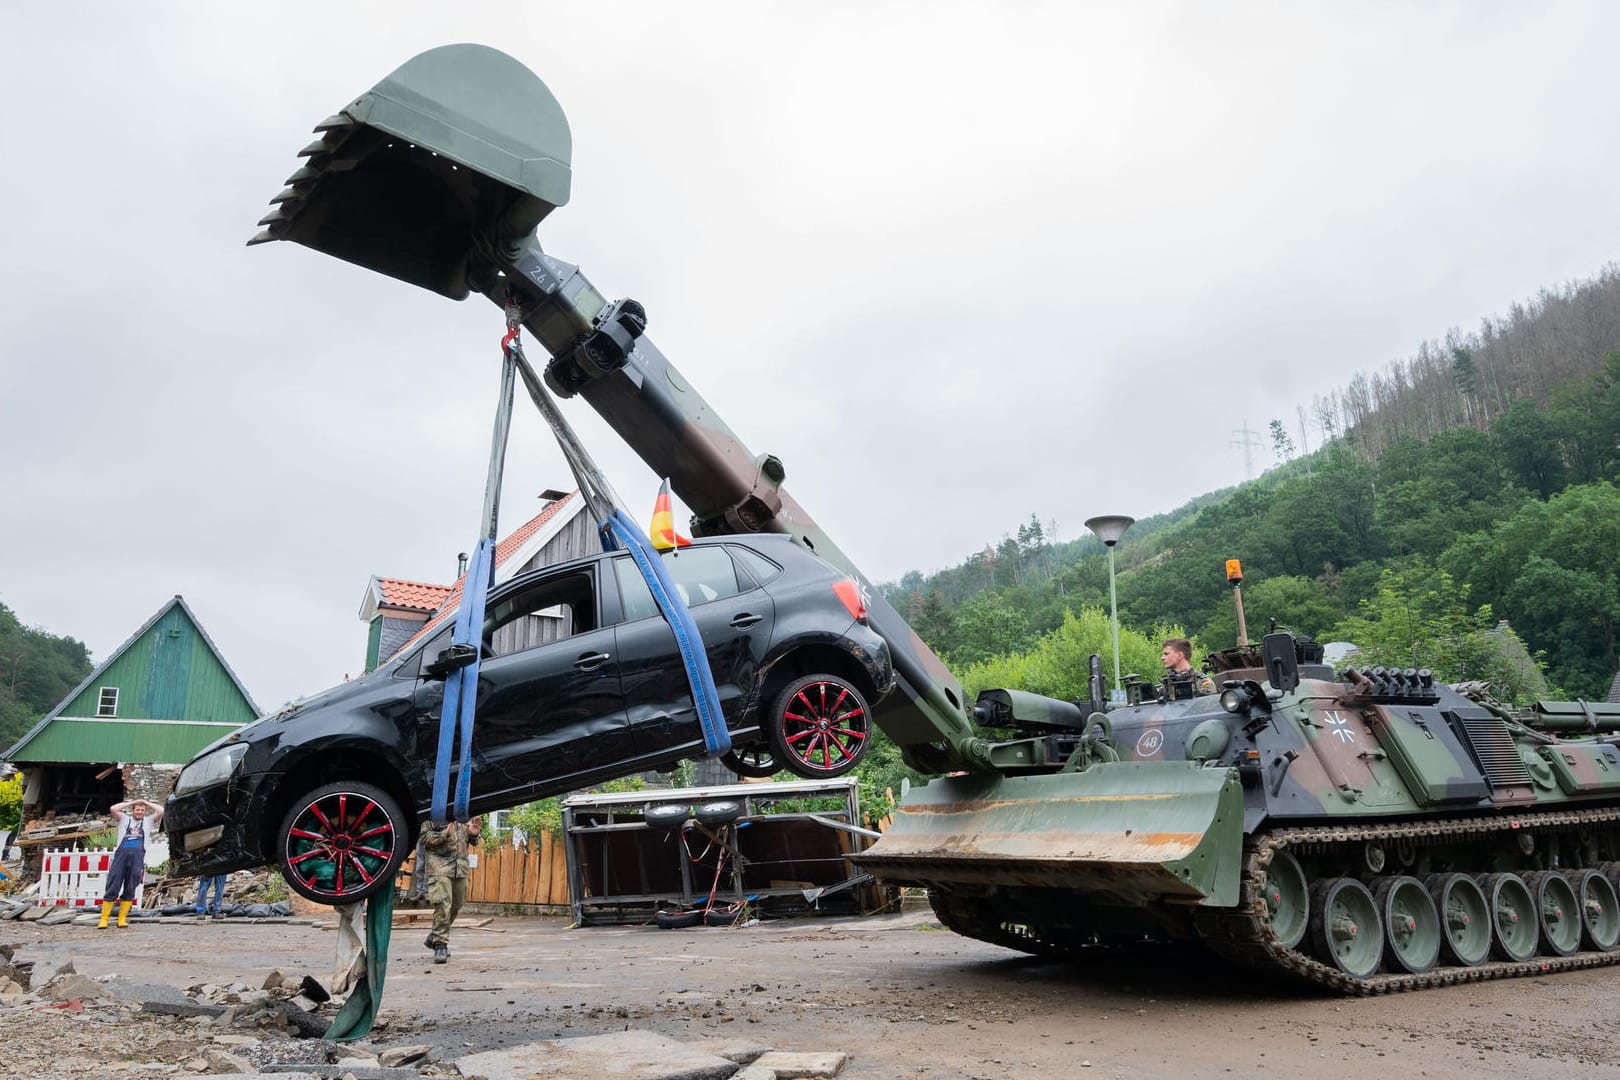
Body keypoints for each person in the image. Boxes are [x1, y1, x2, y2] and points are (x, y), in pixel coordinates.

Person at [420, 815, 481, 963]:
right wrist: (444, 834)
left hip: (460, 867)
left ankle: (434, 936)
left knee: (456, 905)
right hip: (439, 866)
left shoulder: (464, 814)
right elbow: (424, 839)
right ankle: (441, 945)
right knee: (443, 904)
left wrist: (474, 834)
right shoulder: (434, 813)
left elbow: (474, 842)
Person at [98, 798, 163, 929]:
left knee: (131, 887)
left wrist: (145, 802)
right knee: (113, 885)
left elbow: (161, 810)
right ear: (133, 810)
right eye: (137, 810)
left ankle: (122, 919)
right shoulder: (124, 819)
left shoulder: (148, 821)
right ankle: (104, 919)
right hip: (120, 858)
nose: (139, 812)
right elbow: (113, 808)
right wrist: (133, 802)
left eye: (142, 810)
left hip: (137, 859)